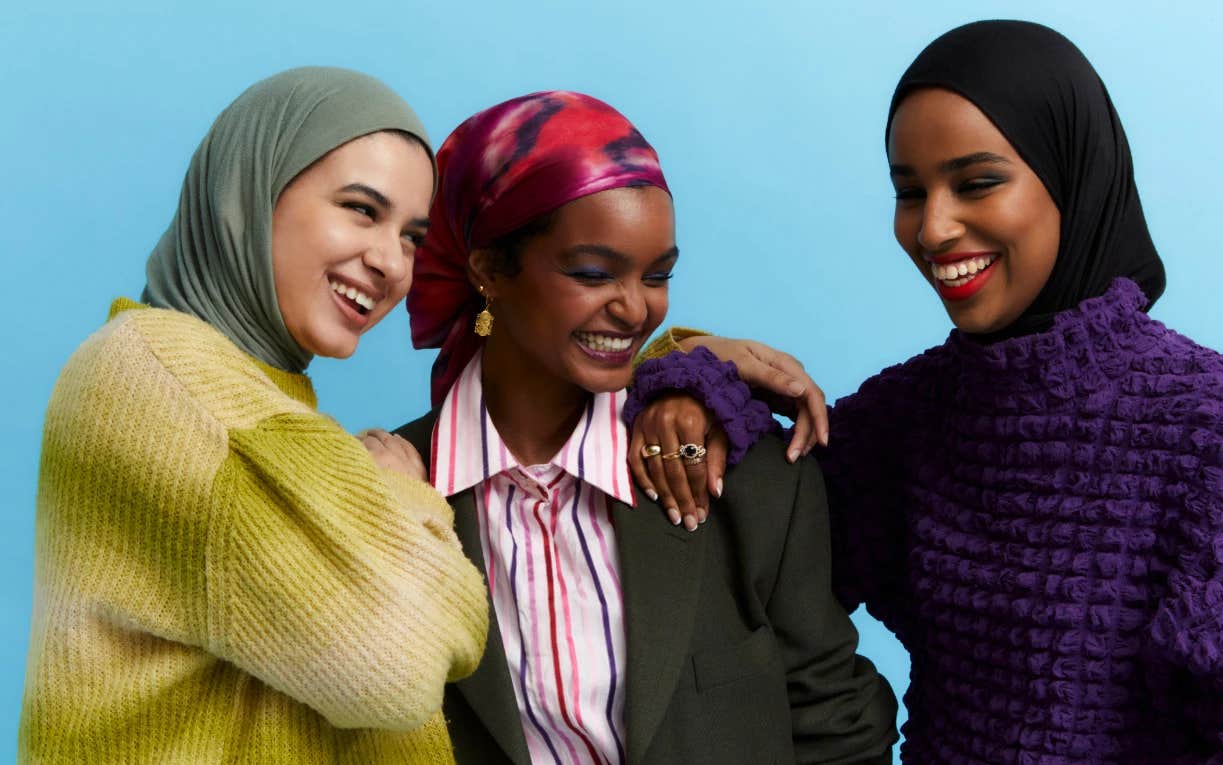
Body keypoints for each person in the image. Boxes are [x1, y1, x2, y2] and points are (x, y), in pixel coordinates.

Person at [628, 21, 1223, 764]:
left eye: (976, 183)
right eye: (910, 192)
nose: (933, 228)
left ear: (1069, 176)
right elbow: (764, 550)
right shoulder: (910, 419)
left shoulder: (1216, 432)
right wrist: (688, 373)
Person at [392, 90, 898, 765]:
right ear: (488, 270)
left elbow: (838, 727)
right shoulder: (389, 495)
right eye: (594, 272)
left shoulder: (747, 476)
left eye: (658, 274)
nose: (636, 309)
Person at [20, 67, 488, 764]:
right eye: (361, 209)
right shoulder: (166, 382)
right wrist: (404, 495)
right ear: (252, 194)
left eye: (413, 237)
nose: (391, 262)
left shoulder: (250, 397)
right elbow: (401, 662)